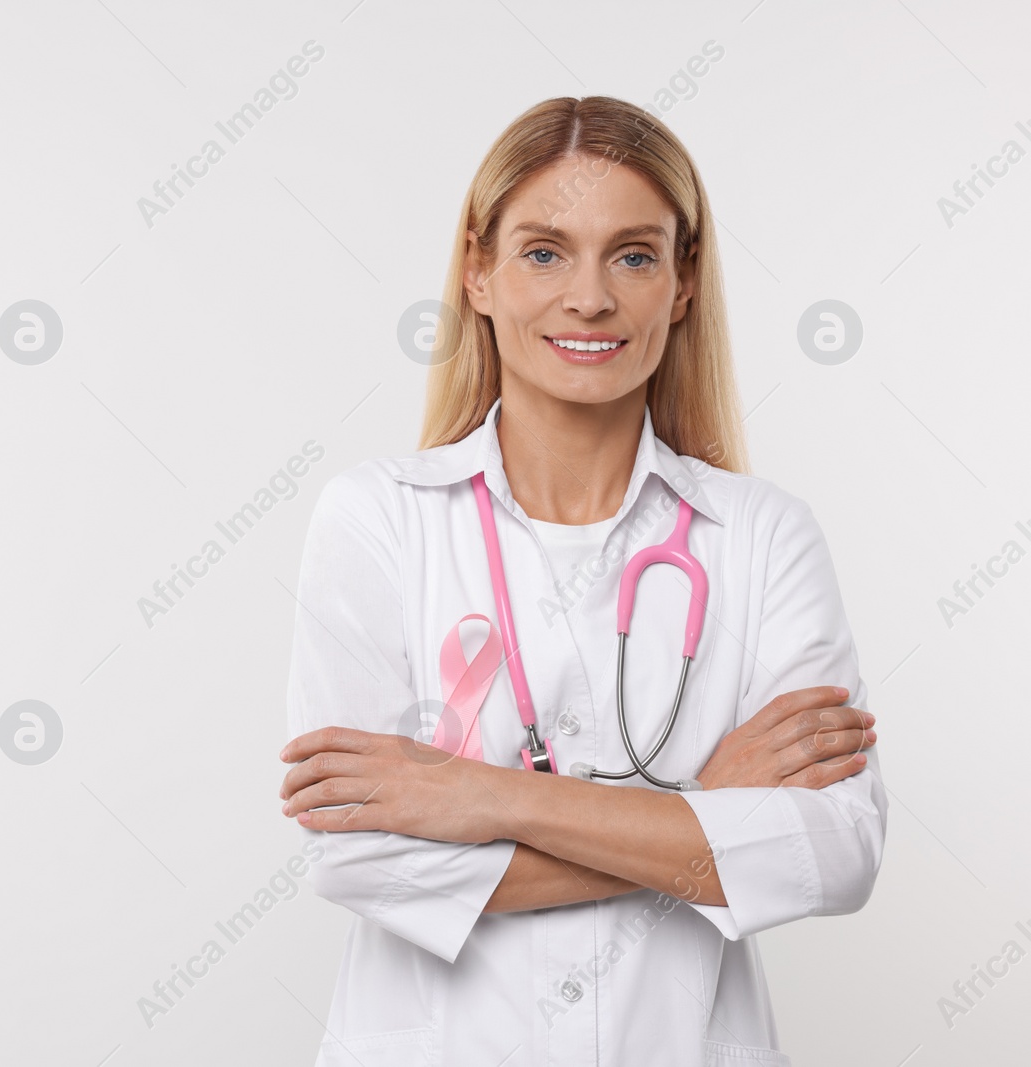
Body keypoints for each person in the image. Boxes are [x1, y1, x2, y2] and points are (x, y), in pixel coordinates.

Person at [277, 96, 887, 1067]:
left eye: (635, 255)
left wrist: (487, 798)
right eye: (544, 251)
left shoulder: (761, 534)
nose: (590, 297)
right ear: (476, 269)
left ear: (683, 283)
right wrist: (702, 807)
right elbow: (355, 853)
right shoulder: (378, 516)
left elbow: (830, 852)